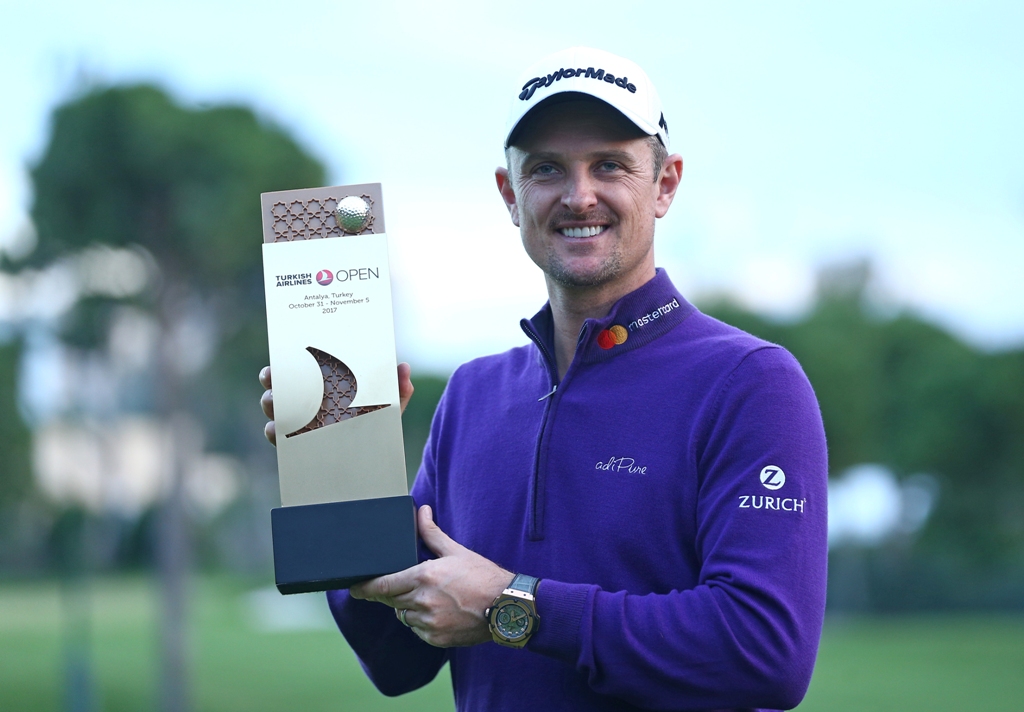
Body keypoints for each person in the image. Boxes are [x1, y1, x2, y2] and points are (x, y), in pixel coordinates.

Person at [260, 47, 828, 712]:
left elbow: (764, 653)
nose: (578, 194)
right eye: (547, 169)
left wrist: (514, 606)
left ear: (665, 183)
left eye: (609, 165)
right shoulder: (472, 395)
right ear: (510, 194)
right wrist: (341, 474)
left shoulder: (750, 382)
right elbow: (397, 663)